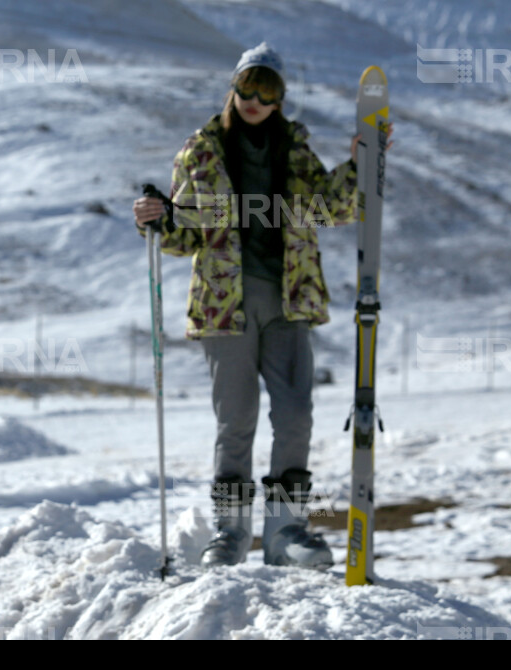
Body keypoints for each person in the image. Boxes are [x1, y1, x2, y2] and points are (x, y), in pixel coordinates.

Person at [133, 43, 392, 571]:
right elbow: (183, 236)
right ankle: (230, 533)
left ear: (280, 99)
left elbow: (333, 206)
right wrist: (155, 218)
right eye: (248, 85)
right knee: (237, 421)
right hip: (223, 306)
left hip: (290, 299)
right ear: (234, 86)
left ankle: (286, 531)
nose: (255, 98)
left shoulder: (295, 151)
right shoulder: (200, 152)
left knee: (295, 415)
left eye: (267, 90)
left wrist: (363, 162)